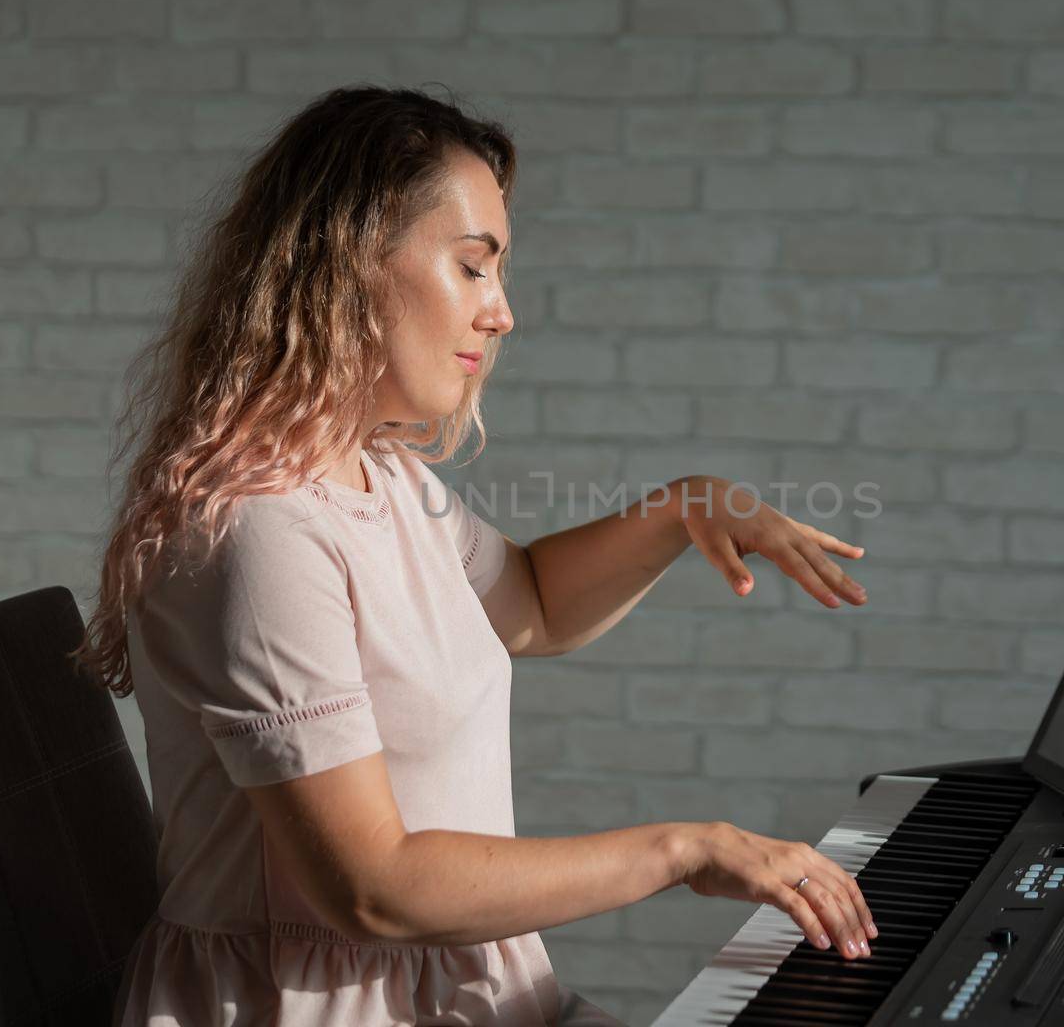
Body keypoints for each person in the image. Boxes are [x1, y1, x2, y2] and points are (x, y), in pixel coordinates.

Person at [73, 85, 876, 1027]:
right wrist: (686, 851)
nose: (501, 314)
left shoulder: (385, 479)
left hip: (458, 994)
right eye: (472, 268)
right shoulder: (257, 534)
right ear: (347, 268)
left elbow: (530, 603)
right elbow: (373, 888)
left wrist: (684, 507)